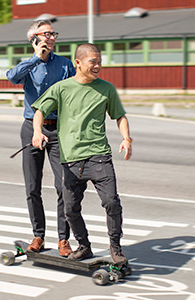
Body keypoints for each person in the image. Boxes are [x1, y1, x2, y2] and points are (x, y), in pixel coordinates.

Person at [31, 43, 132, 263]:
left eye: (100, 61)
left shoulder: (107, 89)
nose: (98, 66)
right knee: (70, 210)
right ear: (78, 63)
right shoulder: (61, 88)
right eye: (92, 61)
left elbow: (119, 116)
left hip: (99, 156)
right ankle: (84, 245)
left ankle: (115, 247)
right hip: (70, 159)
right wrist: (37, 132)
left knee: (112, 202)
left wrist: (126, 138)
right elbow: (39, 111)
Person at [6, 20, 76, 256]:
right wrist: (36, 57)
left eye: (53, 33)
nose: (52, 37)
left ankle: (64, 240)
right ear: (34, 38)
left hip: (58, 130)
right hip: (31, 129)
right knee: (32, 185)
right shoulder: (27, 65)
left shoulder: (65, 65)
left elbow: (76, 93)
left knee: (63, 185)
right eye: (46, 34)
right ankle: (38, 235)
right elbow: (12, 77)